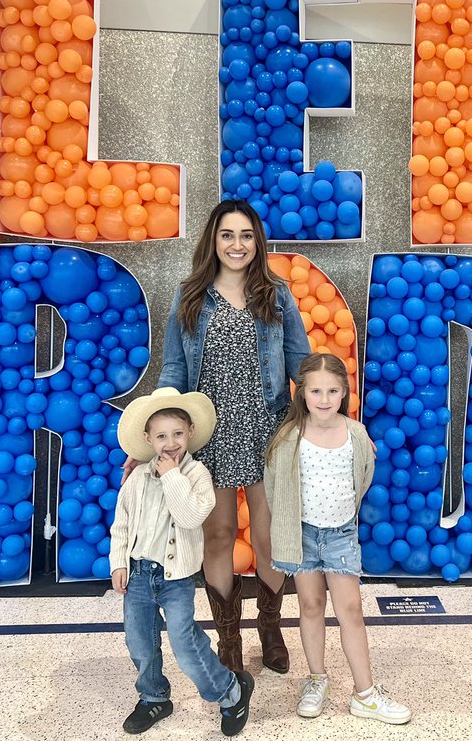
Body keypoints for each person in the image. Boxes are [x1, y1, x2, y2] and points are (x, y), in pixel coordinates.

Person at [156, 199, 310, 674]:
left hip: (268, 430)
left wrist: (323, 420)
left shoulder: (277, 294)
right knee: (218, 534)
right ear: (213, 241)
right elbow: (174, 370)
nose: (237, 244)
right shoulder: (191, 296)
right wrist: (158, 435)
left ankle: (269, 625)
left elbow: (301, 362)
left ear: (257, 242)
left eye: (246, 235)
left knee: (269, 538)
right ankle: (228, 640)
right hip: (211, 435)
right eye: (227, 235)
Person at [265, 353, 412, 725]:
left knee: (350, 611)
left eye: (333, 390)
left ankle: (365, 693)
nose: (325, 399)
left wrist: (341, 516)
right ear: (302, 393)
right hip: (301, 535)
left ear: (344, 392)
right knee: (311, 606)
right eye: (316, 391)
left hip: (341, 535)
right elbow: (275, 488)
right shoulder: (289, 437)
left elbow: (361, 480)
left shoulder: (356, 434)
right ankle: (316, 679)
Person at [110, 388, 254, 737]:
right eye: (161, 436)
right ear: (148, 439)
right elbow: (122, 522)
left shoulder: (197, 475)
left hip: (176, 579)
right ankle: (153, 696)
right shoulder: (138, 478)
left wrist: (172, 475)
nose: (170, 442)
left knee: (185, 643)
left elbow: (190, 516)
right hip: (140, 573)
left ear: (190, 432)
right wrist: (118, 562)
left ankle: (229, 691)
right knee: (139, 642)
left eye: (177, 433)